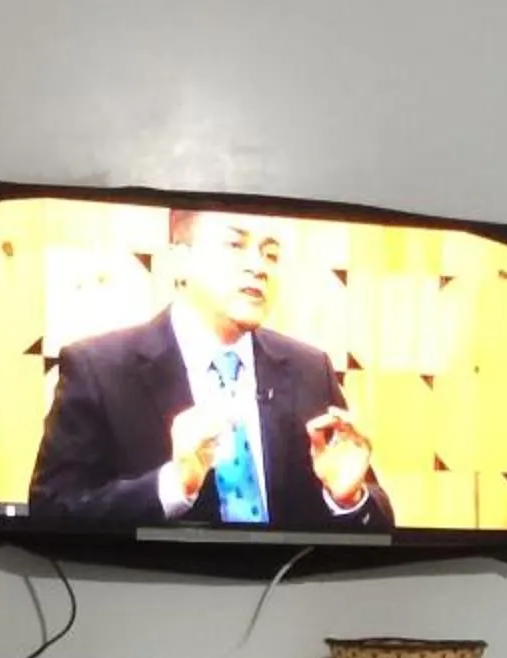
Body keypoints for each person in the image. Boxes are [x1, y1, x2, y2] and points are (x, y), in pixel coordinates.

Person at [25, 207, 394, 529]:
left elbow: (375, 520)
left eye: (271, 254)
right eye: (236, 245)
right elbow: (51, 511)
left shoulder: (309, 369)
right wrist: (174, 485)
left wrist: (348, 499)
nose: (258, 267)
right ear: (179, 261)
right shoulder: (100, 369)